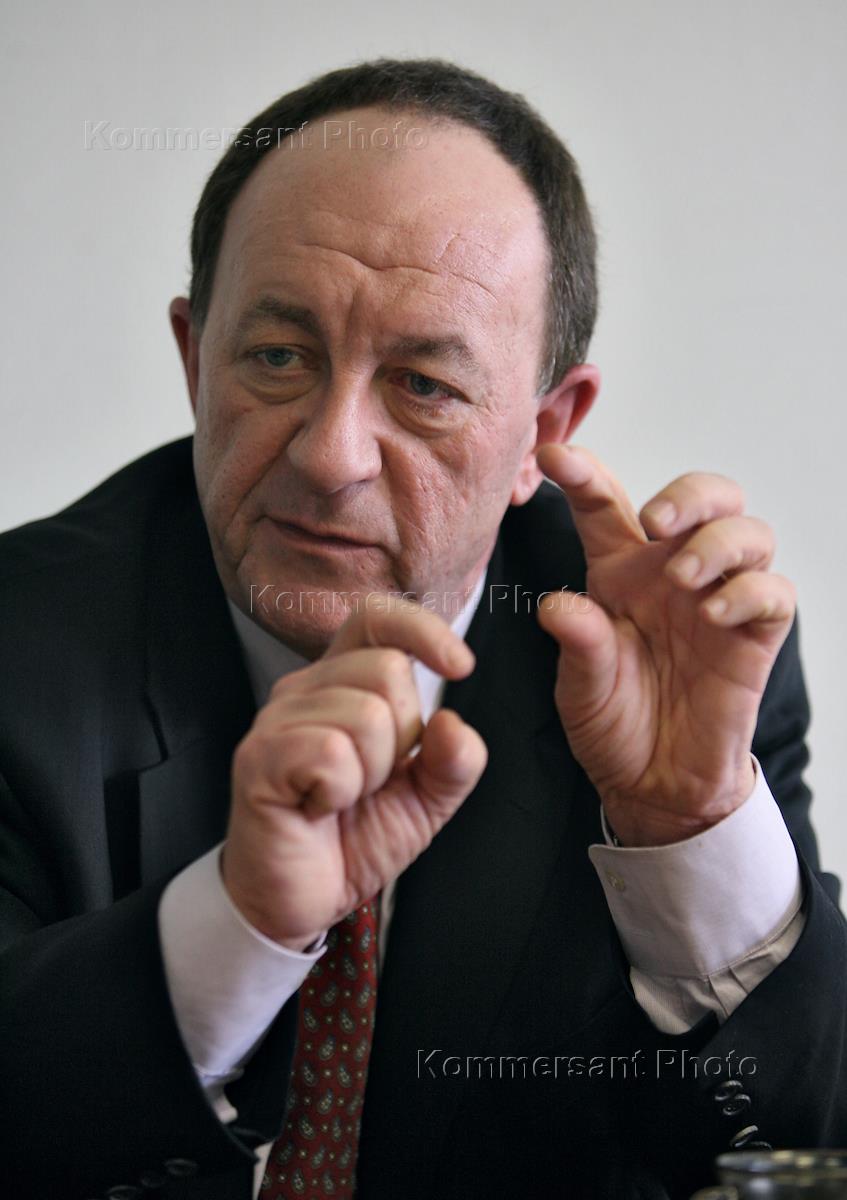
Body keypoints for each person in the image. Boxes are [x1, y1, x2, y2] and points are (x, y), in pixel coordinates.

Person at [1, 58, 844, 1200]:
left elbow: (796, 1148)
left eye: (423, 386)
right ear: (195, 360)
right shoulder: (22, 644)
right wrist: (239, 924)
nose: (329, 456)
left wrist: (688, 831)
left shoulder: (664, 657)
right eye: (278, 358)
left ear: (545, 430)